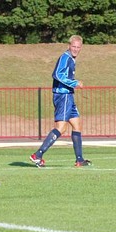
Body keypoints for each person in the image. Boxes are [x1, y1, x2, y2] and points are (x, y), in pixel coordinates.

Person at [29, 35, 91, 168]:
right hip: (63, 96)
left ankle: (79, 159)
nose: (75, 49)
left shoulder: (71, 59)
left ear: (81, 48)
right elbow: (57, 74)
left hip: (68, 96)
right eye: (73, 46)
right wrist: (74, 82)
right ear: (69, 46)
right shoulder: (65, 57)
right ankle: (37, 155)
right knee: (61, 128)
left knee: (77, 125)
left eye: (78, 47)